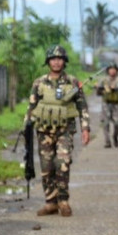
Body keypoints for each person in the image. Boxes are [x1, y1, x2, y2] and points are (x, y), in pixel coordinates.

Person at [25, 45, 91, 217]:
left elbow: (82, 106)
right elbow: (31, 106)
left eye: (59, 59)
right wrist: (26, 127)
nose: (56, 62)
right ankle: (50, 202)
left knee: (62, 163)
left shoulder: (73, 82)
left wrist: (85, 128)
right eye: (53, 59)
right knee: (47, 167)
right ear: (48, 61)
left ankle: (63, 200)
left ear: (64, 61)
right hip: (44, 132)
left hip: (65, 131)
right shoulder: (39, 83)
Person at [96, 63, 118, 148]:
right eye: (110, 69)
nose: (112, 71)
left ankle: (115, 137)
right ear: (108, 71)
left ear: (116, 71)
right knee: (105, 123)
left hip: (116, 105)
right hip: (106, 104)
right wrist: (100, 89)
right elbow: (98, 93)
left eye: (114, 69)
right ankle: (107, 141)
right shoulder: (103, 81)